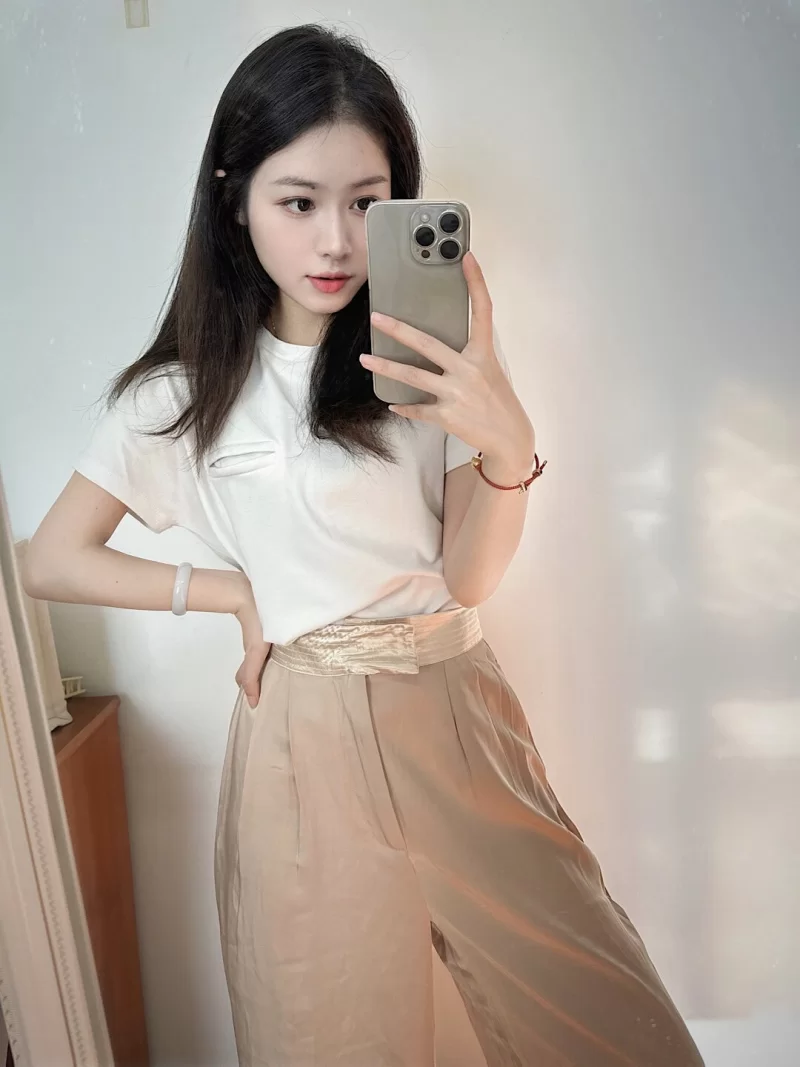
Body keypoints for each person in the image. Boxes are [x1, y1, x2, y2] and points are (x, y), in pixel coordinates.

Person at [23, 22, 705, 1067]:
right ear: (233, 198)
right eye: (298, 203)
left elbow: (468, 575)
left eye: (364, 201)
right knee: (327, 1036)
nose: (335, 242)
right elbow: (51, 558)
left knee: (605, 1019)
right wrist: (229, 592)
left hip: (456, 706)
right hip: (302, 738)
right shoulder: (180, 394)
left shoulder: (425, 357)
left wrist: (508, 446)